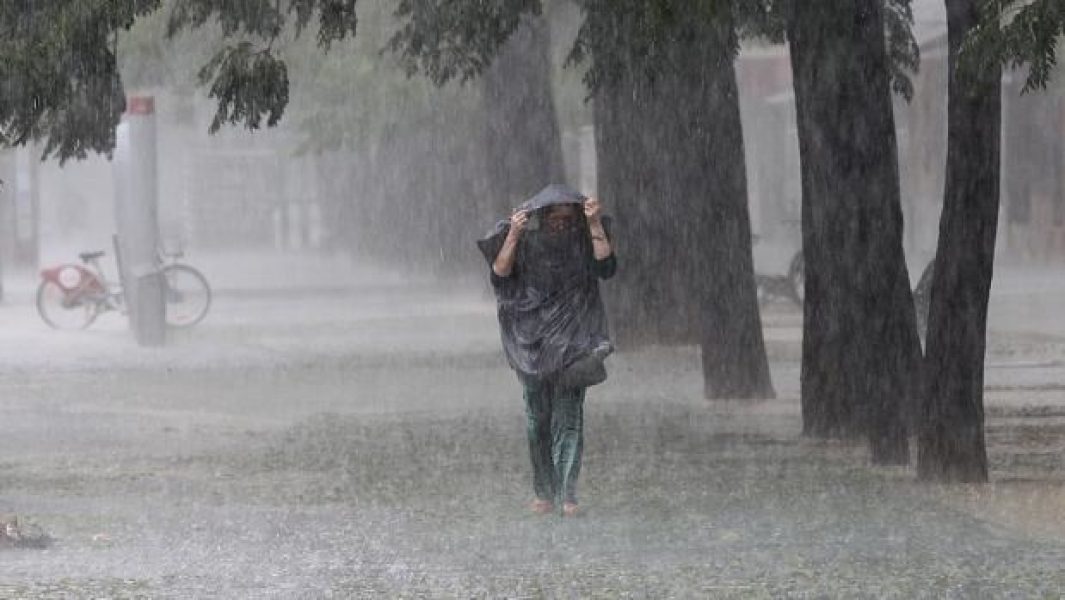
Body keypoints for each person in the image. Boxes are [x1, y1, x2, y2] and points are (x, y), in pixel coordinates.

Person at [477, 184, 616, 517]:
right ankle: (544, 491)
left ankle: (567, 494)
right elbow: (499, 275)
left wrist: (595, 224)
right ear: (541, 218)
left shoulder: (585, 241)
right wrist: (513, 233)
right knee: (537, 420)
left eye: (569, 218)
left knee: (569, 420)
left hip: (575, 340)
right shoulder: (525, 243)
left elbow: (607, 268)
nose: (562, 225)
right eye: (555, 218)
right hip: (531, 343)